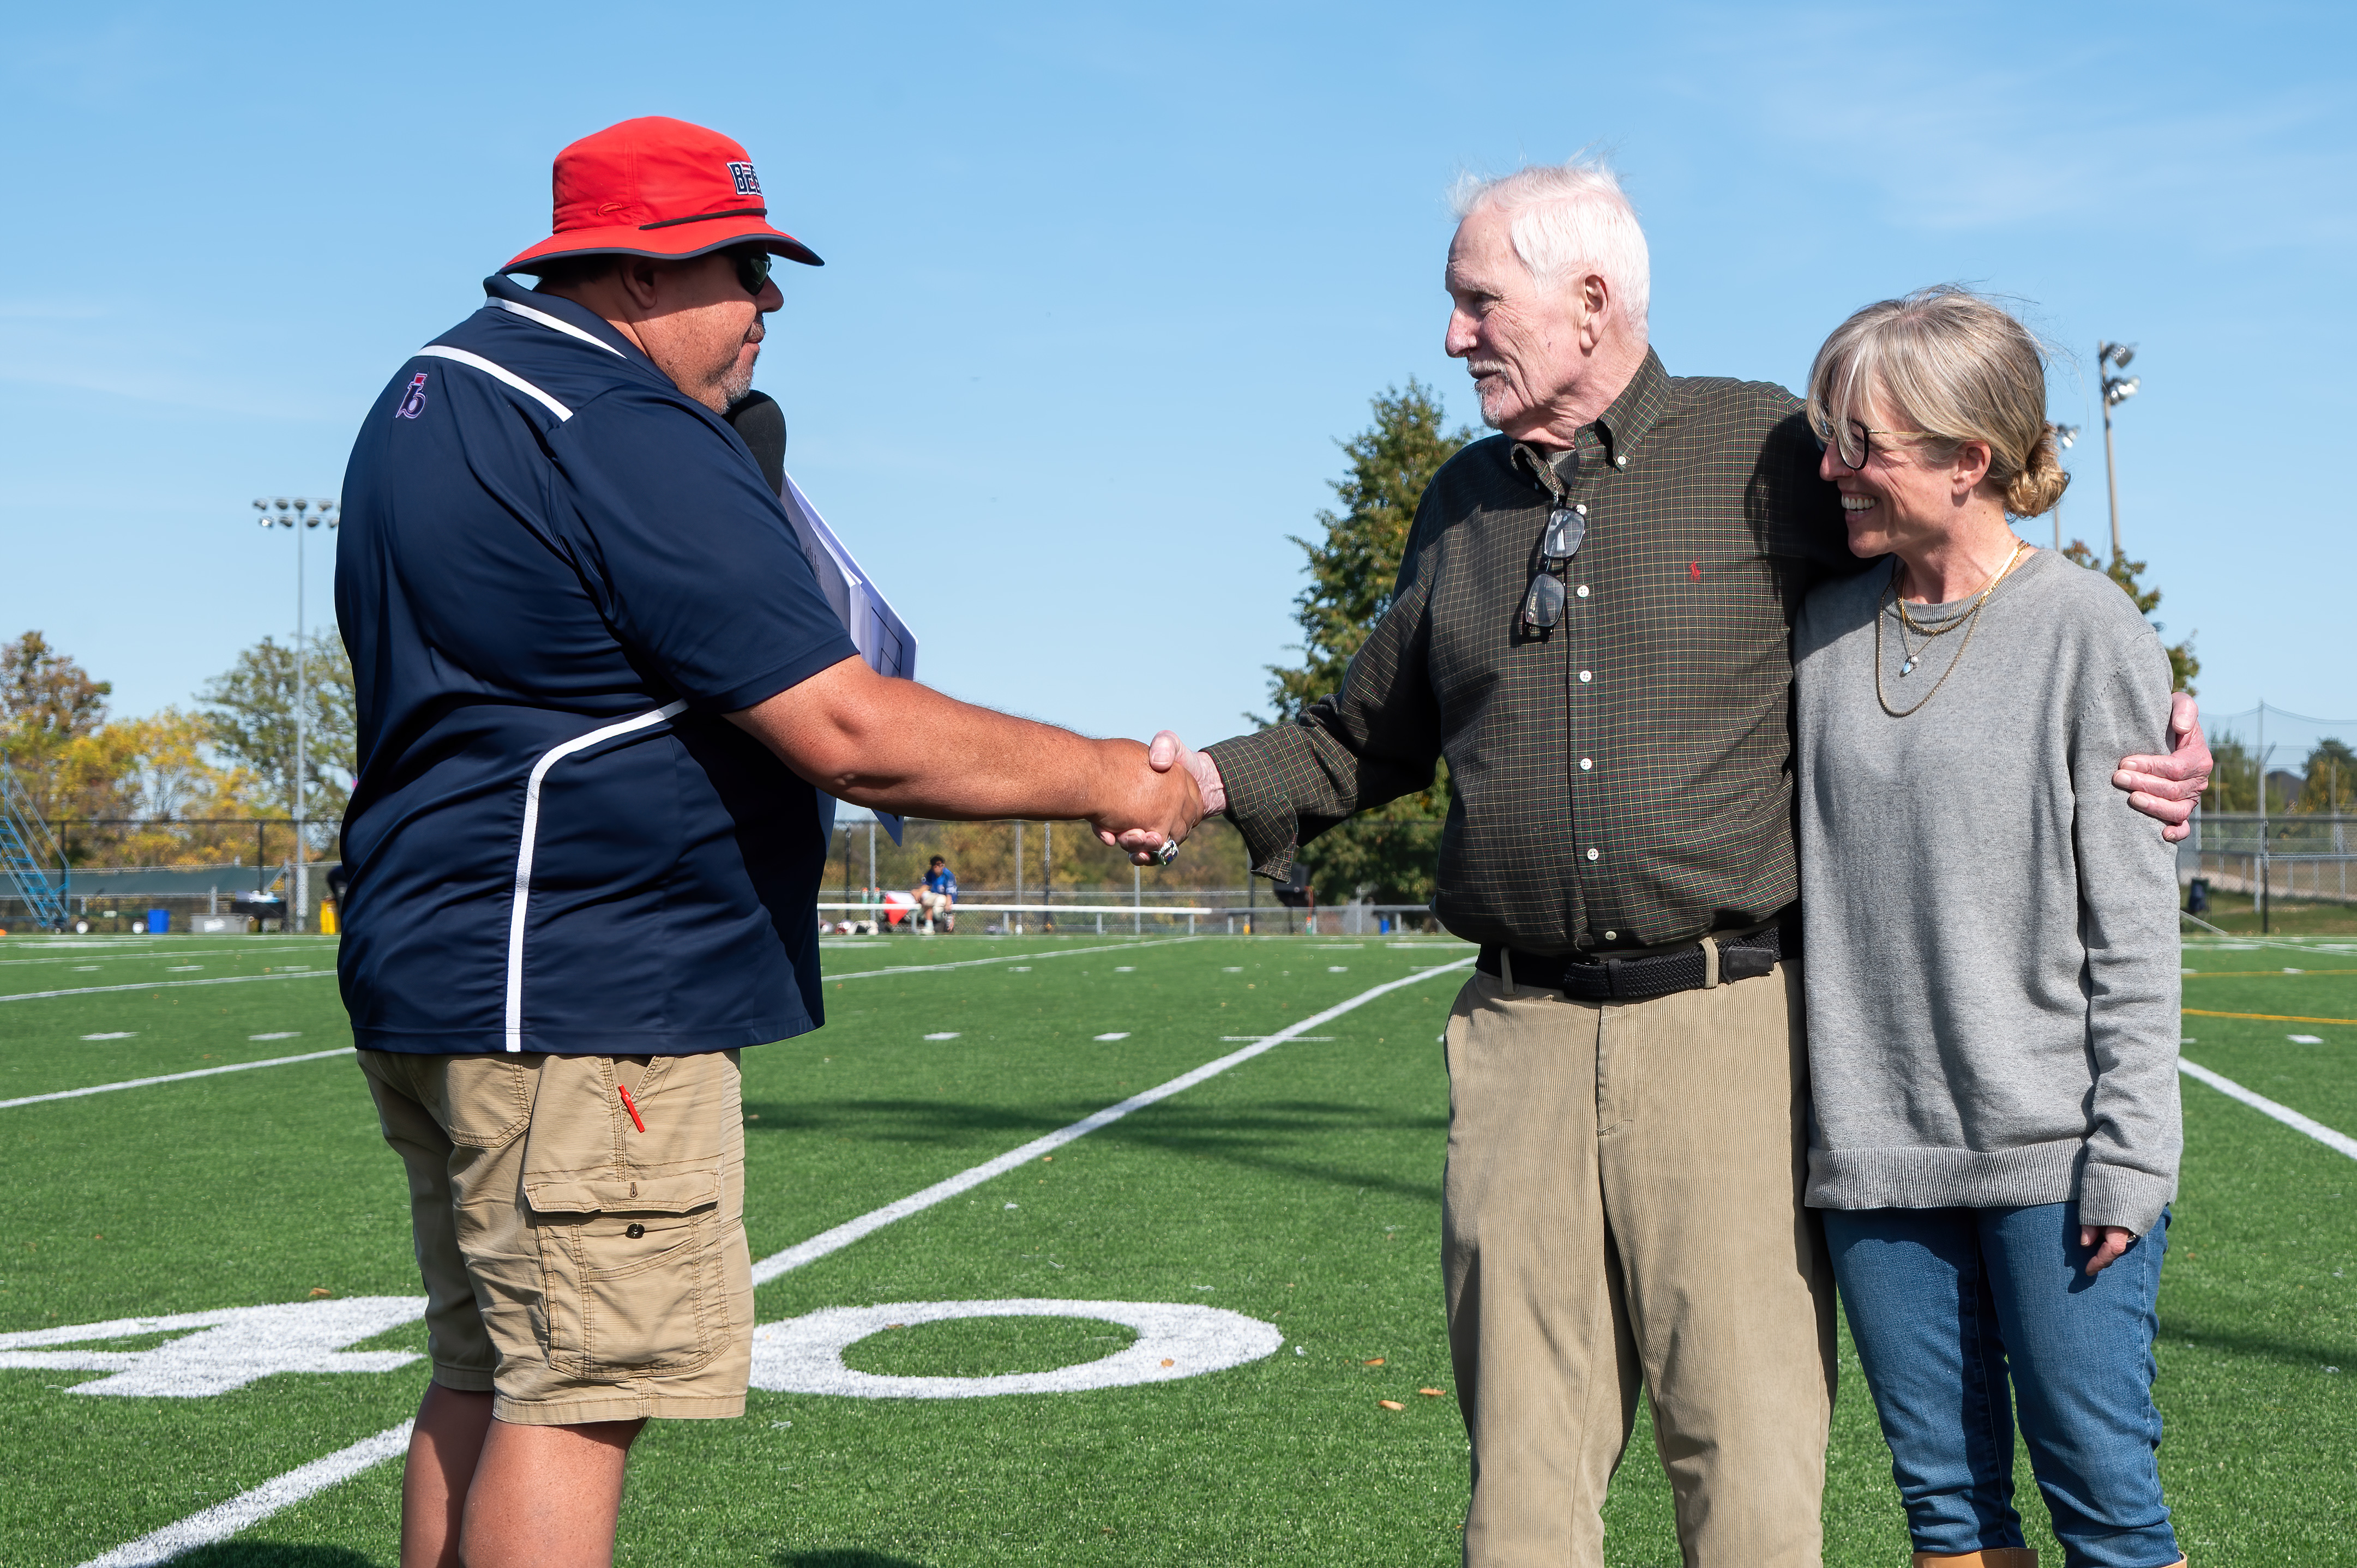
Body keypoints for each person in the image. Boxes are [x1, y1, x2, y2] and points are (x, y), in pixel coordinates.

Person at [1129, 159, 2211, 1567]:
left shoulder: (1767, 451)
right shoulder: (1466, 508)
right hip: (1562, 1047)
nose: (1453, 335)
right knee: (1547, 1477)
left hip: (1748, 1033)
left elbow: (1974, 576)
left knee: (1774, 1470)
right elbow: (1361, 733)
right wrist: (1199, 783)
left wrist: (2161, 726)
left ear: (1590, 301)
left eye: (1478, 302)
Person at [335, 116, 1196, 1568]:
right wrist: (1113, 771)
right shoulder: (615, 421)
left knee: (485, 1366)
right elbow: (849, 728)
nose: (768, 301)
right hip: (589, 987)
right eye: (742, 266)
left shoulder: (430, 389)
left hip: (441, 959)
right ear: (642, 272)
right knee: (580, 1392)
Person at [1795, 287, 2185, 1568]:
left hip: (2054, 1159)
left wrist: (2132, 1149)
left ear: (1967, 460)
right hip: (1873, 1157)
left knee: (2104, 1502)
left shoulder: (2086, 627)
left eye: (1861, 443)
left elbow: (2134, 928)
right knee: (1947, 1511)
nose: (1830, 469)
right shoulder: (1818, 624)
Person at [914, 855, 958, 933]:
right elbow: (925, 886)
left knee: (938, 905)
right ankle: (929, 927)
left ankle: (946, 919)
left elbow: (949, 894)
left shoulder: (948, 875)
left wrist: (948, 907)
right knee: (925, 896)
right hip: (935, 896)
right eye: (935, 865)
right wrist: (917, 893)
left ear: (943, 866)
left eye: (939, 865)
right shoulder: (930, 874)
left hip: (946, 898)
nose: (937, 867)